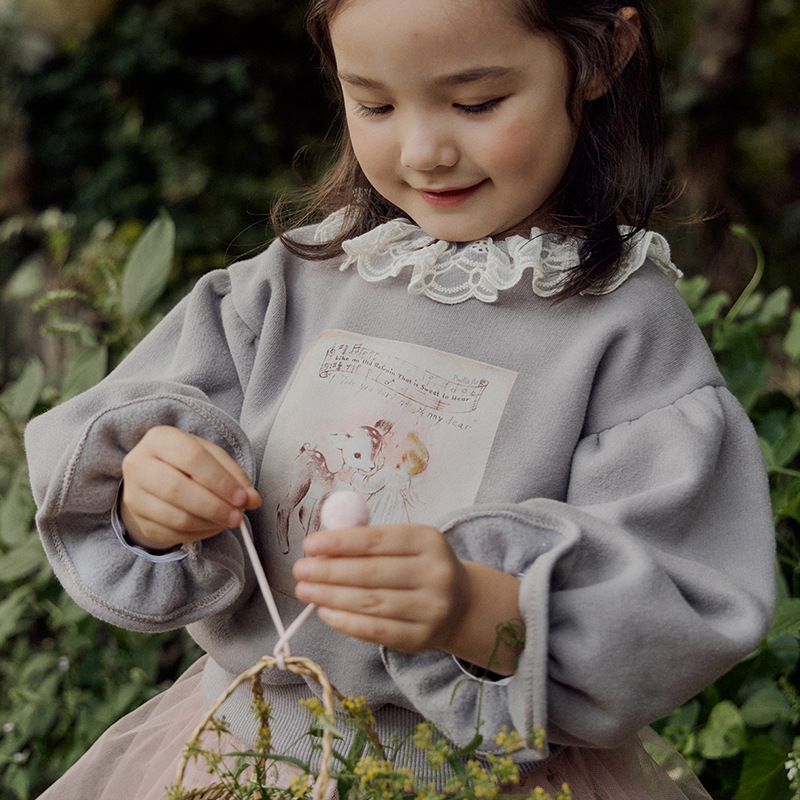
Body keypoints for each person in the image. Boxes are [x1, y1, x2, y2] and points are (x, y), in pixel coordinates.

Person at [25, 0, 776, 798]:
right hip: (239, 757)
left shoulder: (623, 332)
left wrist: (469, 607)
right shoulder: (290, 284)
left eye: (477, 102)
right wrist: (153, 497)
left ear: (601, 55)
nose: (424, 152)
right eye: (375, 104)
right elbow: (105, 478)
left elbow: (674, 602)